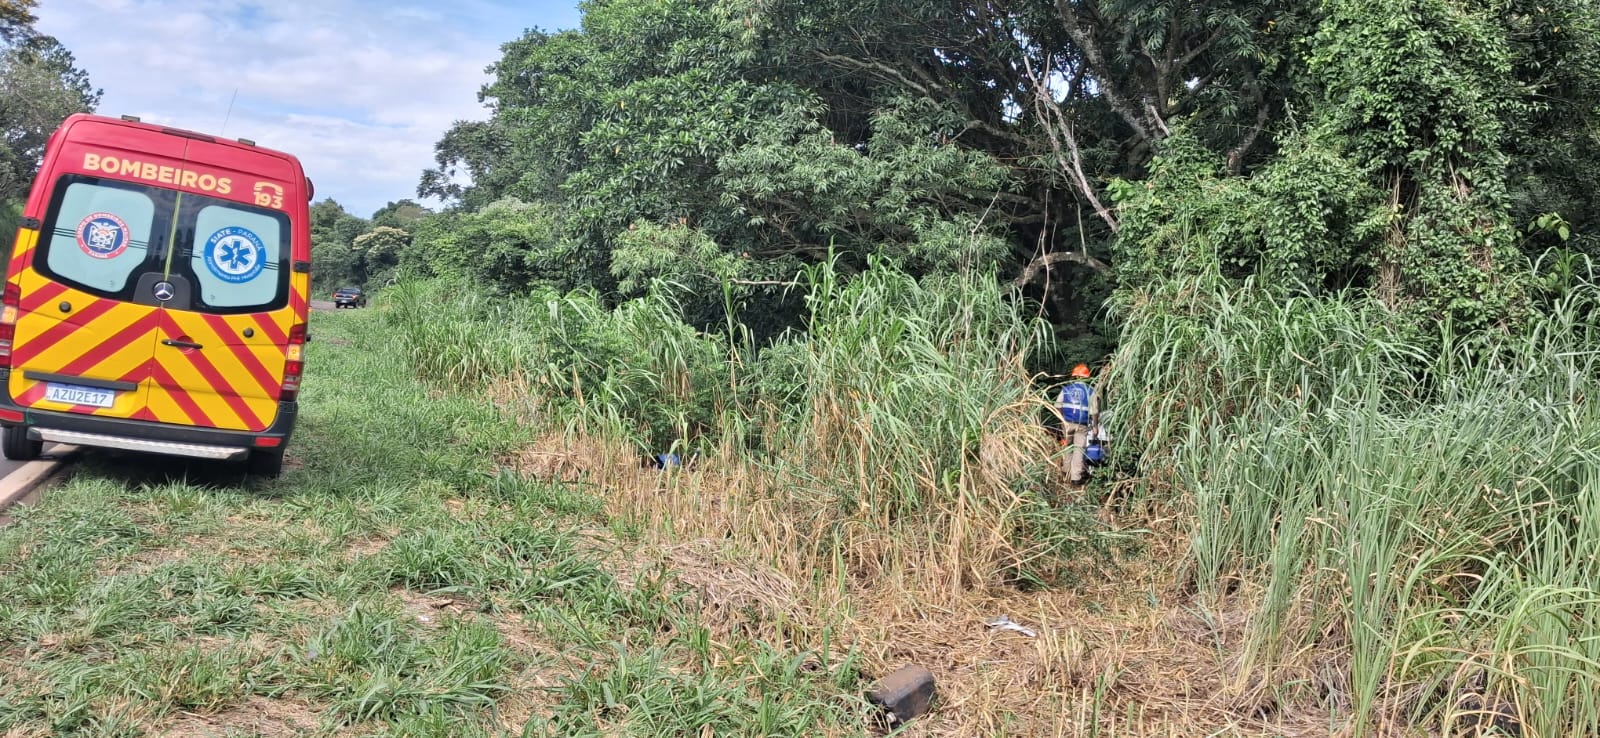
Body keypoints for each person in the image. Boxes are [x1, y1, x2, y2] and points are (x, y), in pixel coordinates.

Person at [1057, 363, 1100, 486]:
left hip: (1067, 423)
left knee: (1068, 447)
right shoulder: (1090, 391)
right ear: (1087, 377)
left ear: (1074, 377)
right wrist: (1095, 426)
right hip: (1082, 424)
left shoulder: (1065, 390)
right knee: (1078, 450)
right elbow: (1094, 411)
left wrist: (1062, 420)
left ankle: (1066, 472)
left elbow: (1057, 406)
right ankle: (1075, 478)